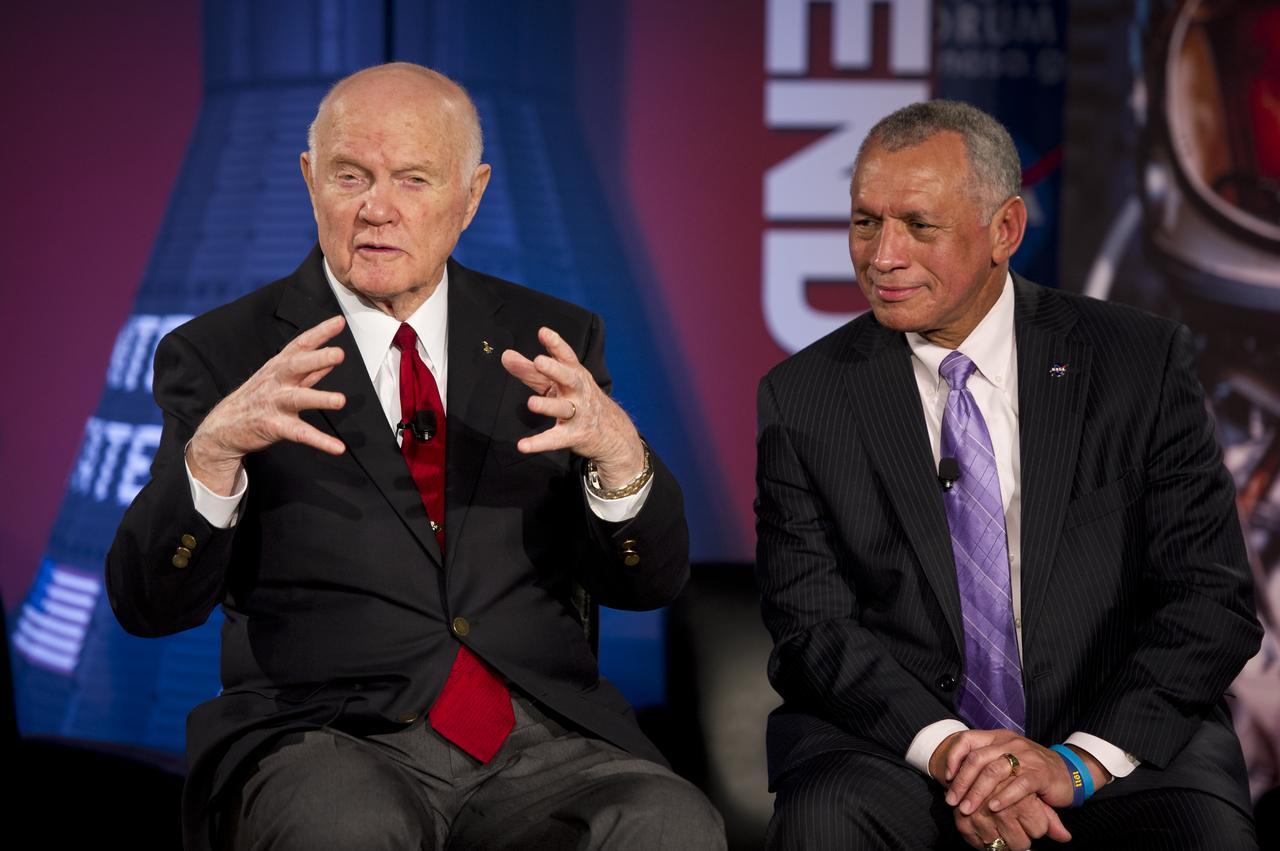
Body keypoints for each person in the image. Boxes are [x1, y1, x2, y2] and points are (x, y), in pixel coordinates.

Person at [106, 62, 724, 851]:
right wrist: (215, 452)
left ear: (471, 195)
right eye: (350, 175)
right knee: (347, 825)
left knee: (668, 822)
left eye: (413, 179)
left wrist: (618, 457)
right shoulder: (227, 352)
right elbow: (147, 603)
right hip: (327, 737)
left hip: (539, 741)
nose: (377, 208)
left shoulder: (551, 338)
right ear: (309, 179)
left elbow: (649, 582)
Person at [754, 99, 1262, 851]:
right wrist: (958, 754)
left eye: (918, 225)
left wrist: (1075, 762)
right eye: (866, 221)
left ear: (1006, 231)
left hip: (1114, 739)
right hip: (902, 745)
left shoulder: (1137, 364)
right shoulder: (804, 396)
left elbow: (1210, 599)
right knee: (825, 822)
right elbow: (812, 626)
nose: (882, 255)